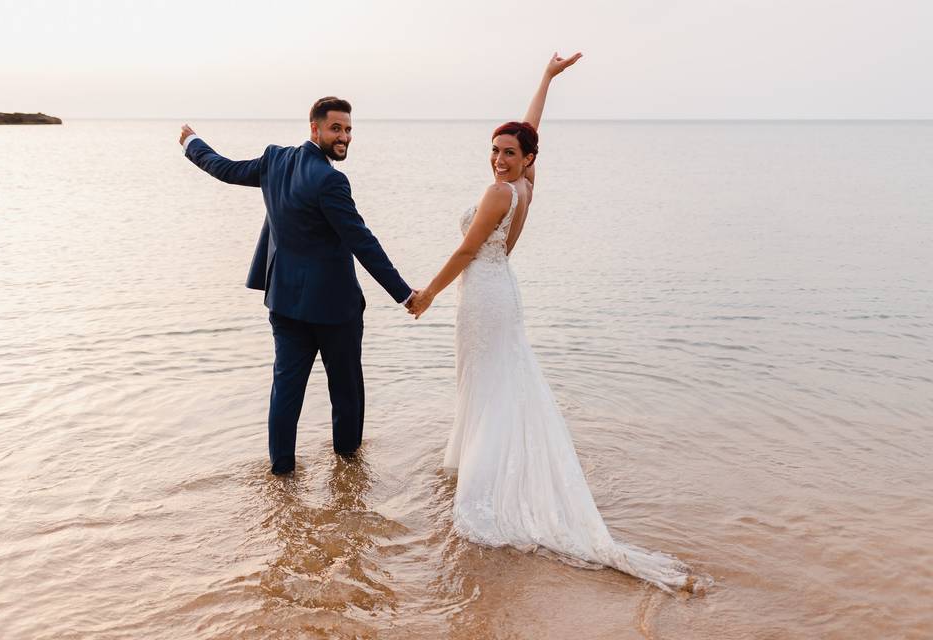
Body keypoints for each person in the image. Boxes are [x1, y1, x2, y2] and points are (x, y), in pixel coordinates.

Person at [408, 53, 710, 593]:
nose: (499, 159)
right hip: (501, 293)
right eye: (495, 150)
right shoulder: (525, 186)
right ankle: (482, 462)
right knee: (498, 381)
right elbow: (532, 131)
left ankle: (487, 481)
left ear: (525, 160)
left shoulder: (501, 191)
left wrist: (427, 294)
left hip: (481, 295)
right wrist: (546, 79)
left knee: (489, 383)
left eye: (509, 153)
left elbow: (466, 251)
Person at [179, 97, 414, 476]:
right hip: (335, 310)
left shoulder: (274, 161)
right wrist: (403, 293)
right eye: (336, 128)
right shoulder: (331, 180)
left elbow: (224, 169)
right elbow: (361, 240)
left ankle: (282, 471)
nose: (344, 137)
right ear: (314, 128)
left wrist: (193, 144)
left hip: (285, 302)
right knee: (346, 390)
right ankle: (349, 469)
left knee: (285, 390)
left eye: (349, 129)